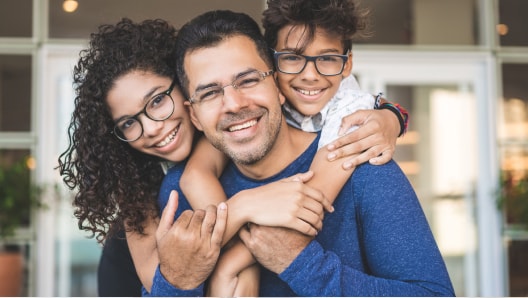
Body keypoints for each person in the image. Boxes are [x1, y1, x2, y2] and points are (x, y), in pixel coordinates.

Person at [153, 9, 455, 296]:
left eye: (248, 80)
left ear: (278, 84)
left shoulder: (362, 163)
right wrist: (179, 281)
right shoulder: (179, 193)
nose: (233, 104)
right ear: (194, 116)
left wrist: (302, 263)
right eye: (210, 93)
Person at [57, 17, 346, 295]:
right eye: (129, 123)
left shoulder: (227, 139)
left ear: (185, 87)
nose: (152, 129)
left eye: (157, 101)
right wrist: (243, 207)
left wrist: (390, 114)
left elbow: (348, 98)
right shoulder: (139, 197)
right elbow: (167, 282)